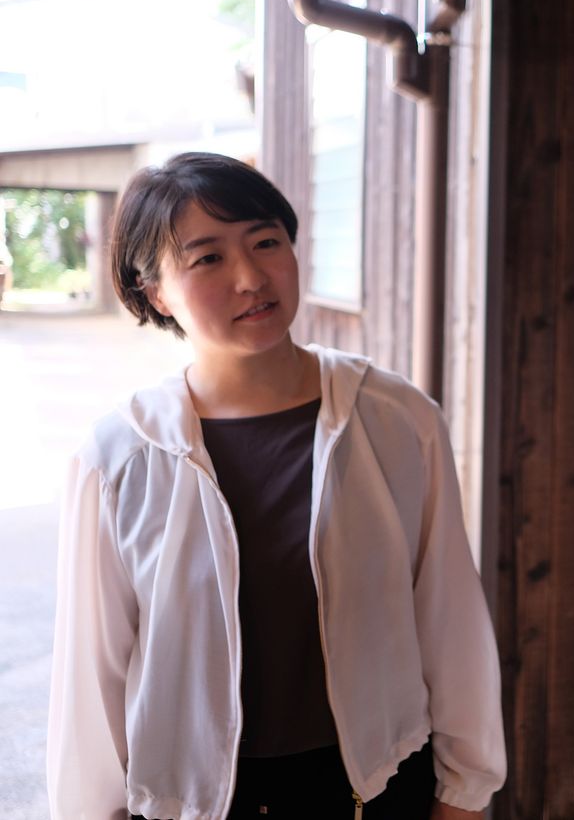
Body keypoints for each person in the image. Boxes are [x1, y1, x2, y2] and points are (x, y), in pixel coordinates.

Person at [47, 152, 505, 819]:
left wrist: (464, 793)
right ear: (155, 293)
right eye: (208, 258)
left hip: (377, 787)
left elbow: (449, 616)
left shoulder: (396, 419)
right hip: (191, 801)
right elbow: (92, 677)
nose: (252, 278)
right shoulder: (118, 456)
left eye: (266, 242)